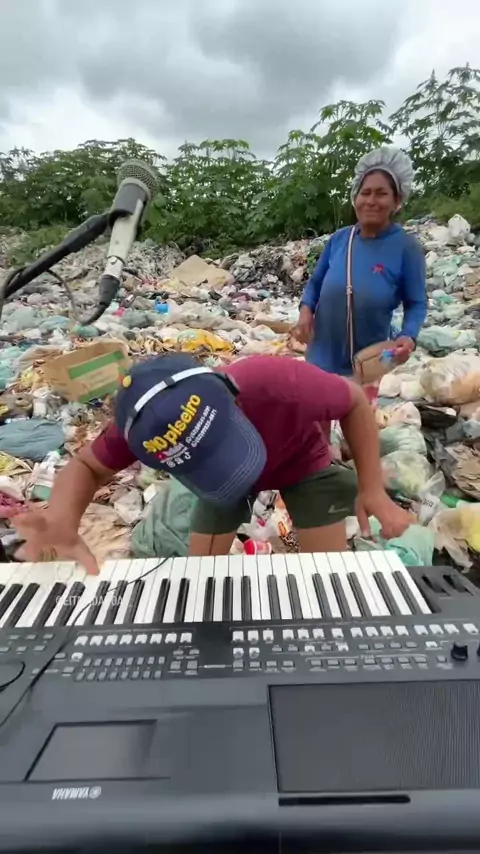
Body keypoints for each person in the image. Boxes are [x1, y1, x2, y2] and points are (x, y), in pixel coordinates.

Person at [13, 353, 412, 575]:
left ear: (229, 393)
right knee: (203, 578)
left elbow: (354, 402)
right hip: (217, 483)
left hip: (300, 461)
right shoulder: (137, 428)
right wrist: (63, 521)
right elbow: (86, 467)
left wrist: (372, 488)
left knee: (326, 575)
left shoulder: (275, 380)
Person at [293, 146, 427, 407]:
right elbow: (316, 284)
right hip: (321, 355)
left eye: (381, 193)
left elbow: (417, 302)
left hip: (368, 363)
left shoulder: (406, 247)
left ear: (397, 200)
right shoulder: (340, 240)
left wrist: (409, 335)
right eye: (365, 192)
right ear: (355, 197)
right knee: (315, 418)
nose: (371, 201)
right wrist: (305, 312)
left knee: (358, 422)